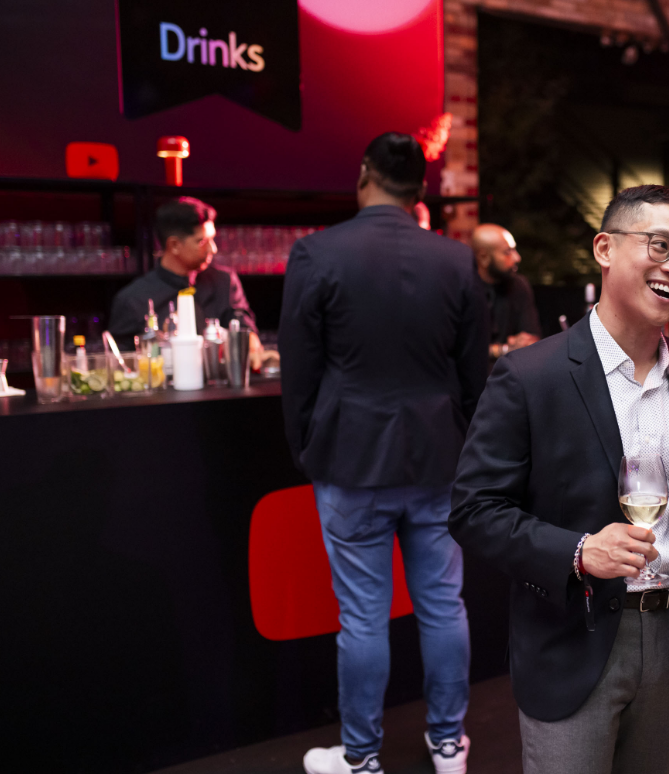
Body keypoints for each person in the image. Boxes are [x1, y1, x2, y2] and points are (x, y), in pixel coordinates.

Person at [450, 184, 669, 774]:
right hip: (574, 634)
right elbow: (474, 510)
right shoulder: (530, 377)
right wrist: (578, 551)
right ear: (604, 248)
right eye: (659, 245)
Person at [280, 133, 489, 774]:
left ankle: (363, 758)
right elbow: (474, 374)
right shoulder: (455, 262)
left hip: (351, 457)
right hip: (438, 457)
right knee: (443, 604)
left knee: (363, 617)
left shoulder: (317, 253)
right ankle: (448, 745)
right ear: (420, 189)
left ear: (365, 172)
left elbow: (299, 369)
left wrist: (307, 447)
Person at [109, 197, 260, 361]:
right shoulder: (133, 300)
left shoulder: (224, 282)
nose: (213, 249)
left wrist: (250, 341)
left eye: (212, 239)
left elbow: (246, 330)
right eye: (202, 241)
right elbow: (121, 364)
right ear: (174, 245)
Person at [470, 224, 540, 361]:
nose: (517, 258)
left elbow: (531, 342)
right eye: (508, 252)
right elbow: (462, 350)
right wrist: (505, 349)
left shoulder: (519, 285)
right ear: (483, 257)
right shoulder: (464, 289)